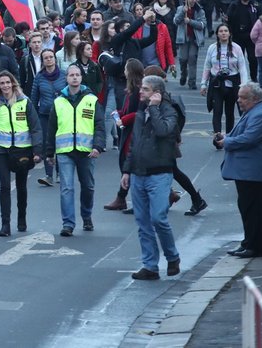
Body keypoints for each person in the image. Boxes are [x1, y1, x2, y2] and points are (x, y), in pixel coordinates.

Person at [121, 75, 183, 280]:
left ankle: (172, 256)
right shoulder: (141, 111)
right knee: (143, 222)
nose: (140, 92)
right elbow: (134, 143)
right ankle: (150, 266)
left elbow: (163, 131)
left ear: (157, 93)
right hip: (139, 173)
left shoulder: (169, 111)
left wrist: (155, 108)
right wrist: (127, 171)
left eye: (145, 90)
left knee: (158, 218)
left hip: (159, 173)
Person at [214, 82, 262, 258]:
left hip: (252, 172)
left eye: (242, 97)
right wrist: (225, 137)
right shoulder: (253, 112)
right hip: (247, 171)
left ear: (254, 99)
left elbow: (248, 139)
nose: (238, 100)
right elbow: (240, 133)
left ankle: (255, 247)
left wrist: (227, 142)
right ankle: (249, 242)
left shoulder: (260, 115)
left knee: (252, 210)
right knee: (246, 208)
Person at [46, 63, 106, 237]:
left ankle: (86, 216)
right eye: (71, 75)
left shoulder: (91, 100)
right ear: (66, 78)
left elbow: (99, 126)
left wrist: (98, 146)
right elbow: (51, 128)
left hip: (87, 151)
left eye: (77, 75)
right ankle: (68, 224)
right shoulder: (58, 101)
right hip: (65, 151)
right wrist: (49, 153)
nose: (74, 77)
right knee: (66, 188)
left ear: (81, 78)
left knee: (88, 186)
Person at [0, 70, 42, 237]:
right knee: (4, 186)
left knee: (21, 186)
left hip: (22, 149)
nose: (5, 86)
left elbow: (35, 127)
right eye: (2, 83)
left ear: (13, 84)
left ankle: (22, 218)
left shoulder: (24, 102)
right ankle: (5, 225)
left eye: (7, 82)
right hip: (1, 150)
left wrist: (37, 150)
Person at [104, 58, 145, 211]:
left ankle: (124, 198)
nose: (124, 72)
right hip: (129, 131)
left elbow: (139, 113)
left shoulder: (139, 91)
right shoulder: (131, 90)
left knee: (129, 164)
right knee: (128, 165)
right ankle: (122, 197)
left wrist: (123, 120)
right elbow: (127, 109)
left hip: (135, 133)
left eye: (126, 69)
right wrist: (119, 113)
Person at [200, 24, 250, 141]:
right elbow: (207, 66)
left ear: (229, 33)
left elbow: (242, 67)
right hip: (217, 84)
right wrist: (203, 84)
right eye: (221, 31)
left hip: (232, 84)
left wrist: (244, 85)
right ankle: (217, 135)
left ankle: (229, 136)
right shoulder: (212, 48)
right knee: (217, 110)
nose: (223, 33)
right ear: (217, 34)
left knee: (229, 111)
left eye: (226, 31)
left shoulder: (236, 48)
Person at [30, 48, 66, 186]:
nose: (49, 59)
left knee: (61, 144)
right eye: (46, 58)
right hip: (44, 115)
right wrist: (33, 115)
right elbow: (34, 98)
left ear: (55, 59)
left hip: (62, 115)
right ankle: (48, 175)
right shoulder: (39, 77)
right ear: (43, 61)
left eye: (51, 57)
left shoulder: (63, 75)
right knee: (47, 144)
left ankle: (60, 173)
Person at [173, 0, 206, 90]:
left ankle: (192, 81)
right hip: (183, 38)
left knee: (192, 59)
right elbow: (176, 21)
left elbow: (202, 25)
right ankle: (184, 74)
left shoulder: (200, 10)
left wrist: (190, 21)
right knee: (183, 59)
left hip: (194, 39)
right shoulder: (180, 8)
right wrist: (183, 13)